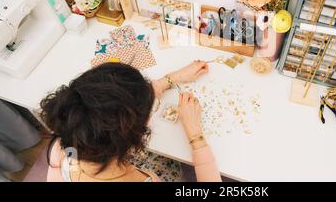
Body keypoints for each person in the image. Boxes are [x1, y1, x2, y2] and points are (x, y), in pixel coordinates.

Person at [40, 61, 221, 182]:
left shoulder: (67, 145)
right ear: (135, 134)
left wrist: (169, 79)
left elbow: (113, 104)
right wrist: (195, 135)